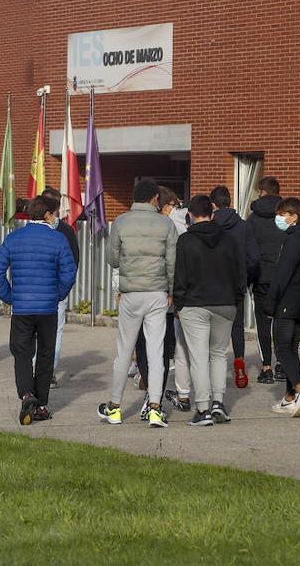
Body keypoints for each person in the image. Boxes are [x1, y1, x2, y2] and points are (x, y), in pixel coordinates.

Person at [0, 196, 77, 426]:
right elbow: (69, 273)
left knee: (22, 353)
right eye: (55, 213)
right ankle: (40, 405)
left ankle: (27, 394)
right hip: (48, 307)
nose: (57, 217)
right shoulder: (58, 240)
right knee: (46, 355)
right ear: (48, 214)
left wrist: (9, 296)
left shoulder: (13, 238)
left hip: (22, 308)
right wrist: (57, 293)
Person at [99, 179, 178, 428]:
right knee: (156, 352)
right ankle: (155, 407)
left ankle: (114, 407)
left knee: (124, 350)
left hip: (130, 292)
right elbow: (172, 263)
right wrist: (171, 291)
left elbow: (113, 259)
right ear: (155, 198)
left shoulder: (121, 222)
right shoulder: (166, 224)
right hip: (157, 292)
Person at [173, 195, 246, 426]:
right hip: (225, 303)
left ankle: (202, 408)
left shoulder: (186, 240)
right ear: (212, 212)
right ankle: (218, 403)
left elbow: (180, 275)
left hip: (194, 304)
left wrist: (179, 302)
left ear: (191, 215)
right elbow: (240, 272)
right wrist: (236, 299)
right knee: (218, 354)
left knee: (199, 357)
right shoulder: (230, 239)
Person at [266, 197, 300, 417]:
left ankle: (299, 388)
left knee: (282, 348)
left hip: (287, 300)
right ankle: (289, 397)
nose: (280, 218)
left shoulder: (294, 240)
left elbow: (282, 273)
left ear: (294, 216)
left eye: (283, 214)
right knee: (291, 349)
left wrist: (271, 301)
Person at [210, 185, 260, 389]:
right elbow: (254, 257)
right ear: (229, 202)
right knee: (237, 326)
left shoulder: (211, 226)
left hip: (213, 285)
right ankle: (239, 362)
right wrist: (246, 277)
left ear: (213, 205)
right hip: (237, 284)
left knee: (212, 329)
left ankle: (214, 369)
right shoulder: (244, 226)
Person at [146, 185, 191, 411]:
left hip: (155, 291)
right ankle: (181, 394)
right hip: (169, 292)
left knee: (156, 344)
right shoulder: (175, 226)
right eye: (173, 205)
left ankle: (152, 390)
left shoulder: (161, 226)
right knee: (172, 344)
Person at [248, 176, 287, 384]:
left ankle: (266, 367)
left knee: (263, 322)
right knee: (281, 321)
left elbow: (249, 249)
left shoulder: (252, 219)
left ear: (262, 192)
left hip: (261, 276)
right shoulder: (285, 216)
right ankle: (282, 364)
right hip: (282, 276)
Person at [41, 187, 79, 387]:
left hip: (37, 289)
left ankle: (39, 368)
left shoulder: (32, 229)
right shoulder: (66, 231)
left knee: (37, 329)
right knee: (55, 330)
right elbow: (74, 261)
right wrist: (65, 286)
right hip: (56, 289)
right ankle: (49, 371)